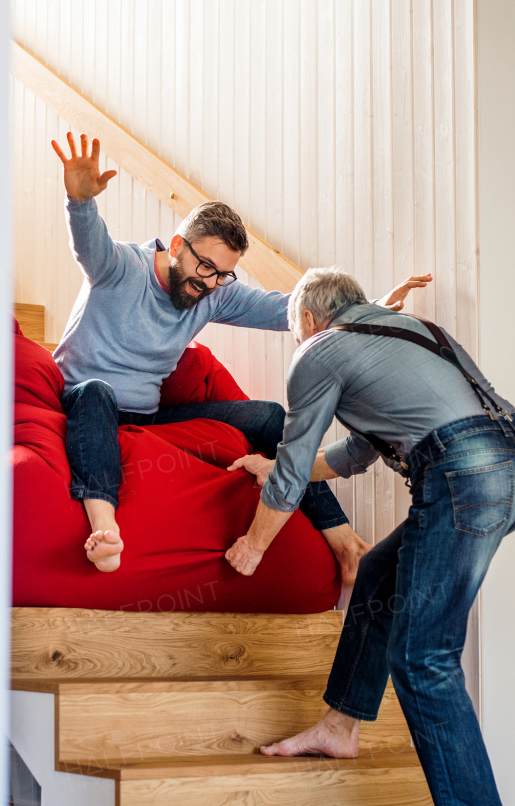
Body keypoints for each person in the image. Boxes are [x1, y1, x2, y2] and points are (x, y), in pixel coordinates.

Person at [224, 267, 515, 806]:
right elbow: (354, 453)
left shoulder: (319, 350)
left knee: (423, 653)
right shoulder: (413, 331)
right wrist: (276, 471)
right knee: (377, 576)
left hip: (463, 475)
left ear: (313, 321)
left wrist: (254, 545)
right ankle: (339, 726)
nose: (300, 343)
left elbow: (296, 464)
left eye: (297, 332)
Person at [49, 131, 430, 577]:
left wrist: (372, 309)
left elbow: (290, 308)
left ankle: (346, 544)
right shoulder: (118, 267)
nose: (209, 282)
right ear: (176, 247)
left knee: (269, 415)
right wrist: (80, 202)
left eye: (223, 275)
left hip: (146, 418)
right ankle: (105, 528)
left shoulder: (213, 295)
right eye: (204, 267)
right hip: (83, 402)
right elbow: (89, 242)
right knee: (97, 390)